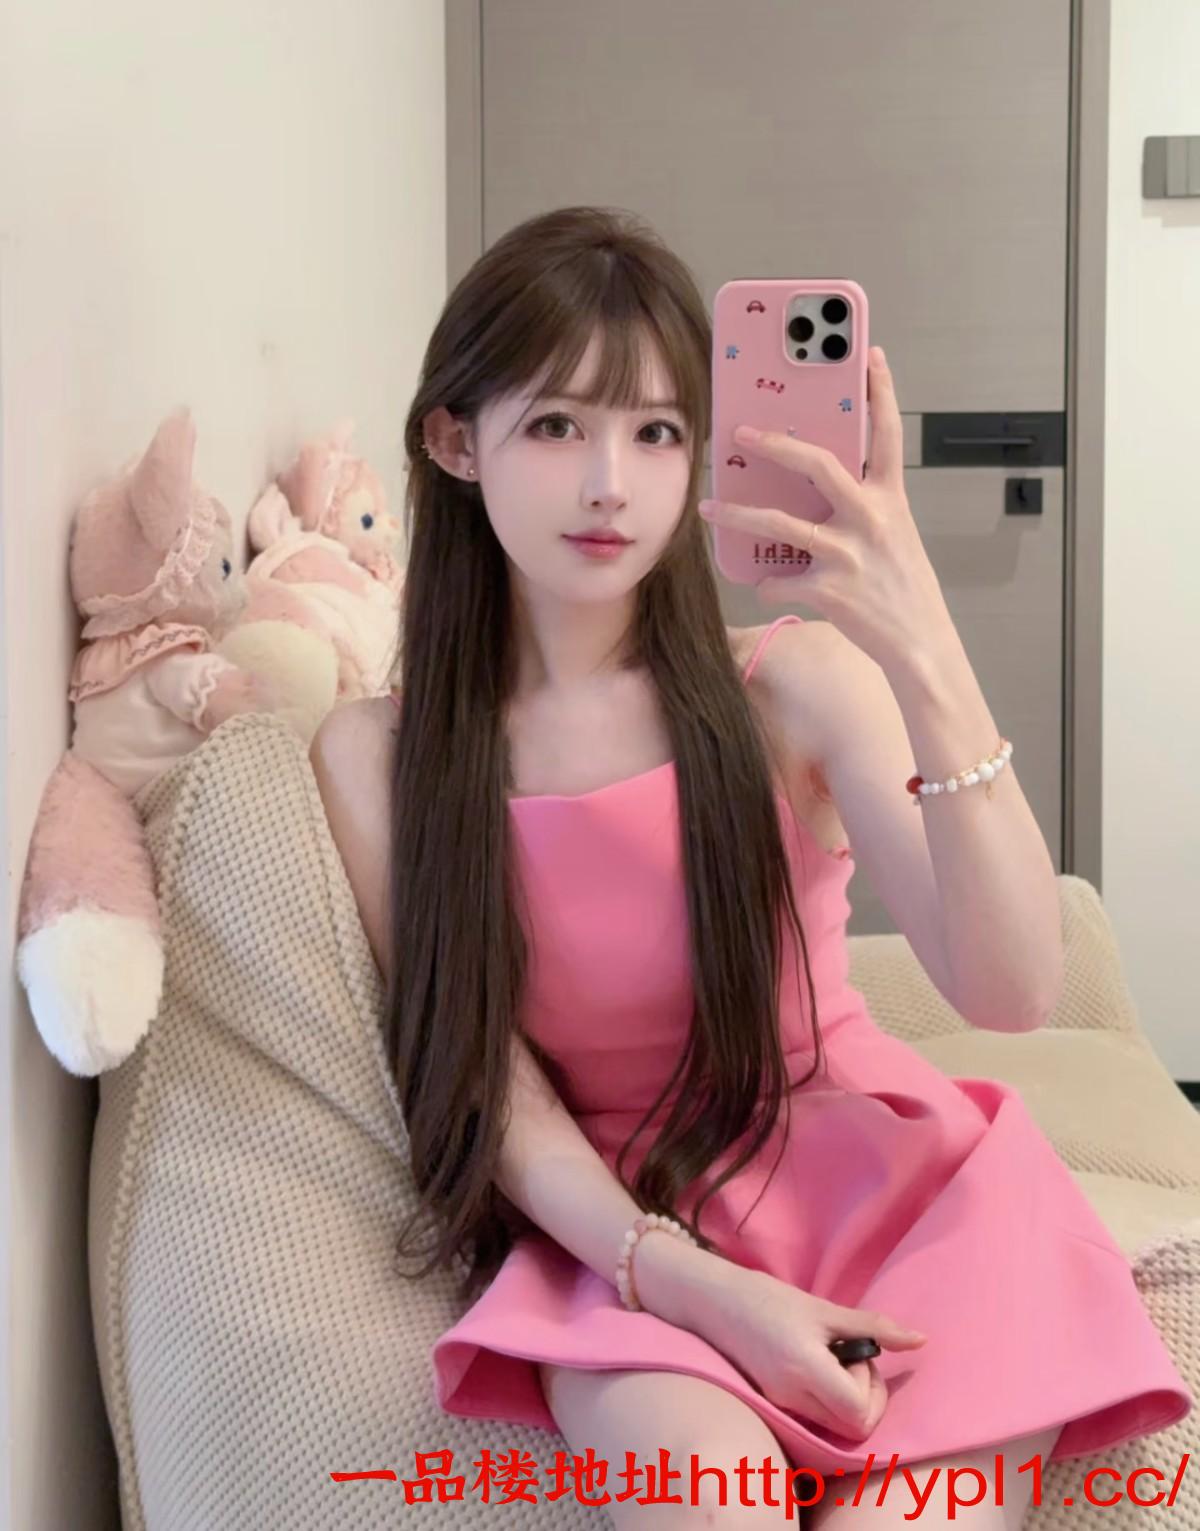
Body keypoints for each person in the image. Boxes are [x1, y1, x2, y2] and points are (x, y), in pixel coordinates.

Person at [310, 205, 1190, 1527]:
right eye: (556, 425)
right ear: (454, 441)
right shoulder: (378, 757)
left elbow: (1011, 989)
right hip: (628, 1241)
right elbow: (487, 1081)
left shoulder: (791, 686)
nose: (611, 483)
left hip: (907, 1205)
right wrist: (687, 1282)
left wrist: (920, 638)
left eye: (658, 432)